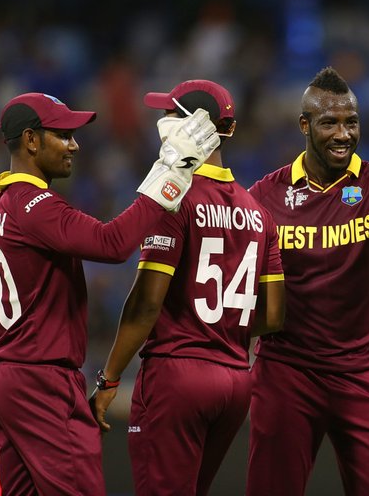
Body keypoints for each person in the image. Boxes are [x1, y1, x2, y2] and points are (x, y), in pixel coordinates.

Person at [0, 92, 220, 495]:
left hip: (4, 376)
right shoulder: (34, 204)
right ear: (32, 140)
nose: (75, 144)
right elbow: (113, 244)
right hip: (42, 381)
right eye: (63, 134)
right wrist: (171, 171)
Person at [89, 79, 286, 495]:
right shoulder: (258, 212)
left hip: (177, 375)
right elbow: (272, 316)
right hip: (235, 378)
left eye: (169, 113)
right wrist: (219, 333)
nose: (161, 121)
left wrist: (108, 379)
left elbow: (146, 304)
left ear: (191, 125)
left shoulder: (173, 197)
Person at [245, 67, 369, 496]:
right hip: (286, 372)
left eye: (351, 122)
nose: (343, 134)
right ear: (304, 125)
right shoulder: (265, 195)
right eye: (329, 123)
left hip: (362, 372)